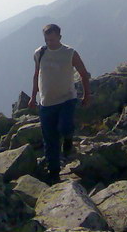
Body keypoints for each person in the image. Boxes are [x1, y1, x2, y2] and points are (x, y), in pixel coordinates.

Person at [28, 24, 91, 183]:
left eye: (52, 39)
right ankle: (54, 173)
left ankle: (68, 140)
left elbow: (83, 74)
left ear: (60, 37)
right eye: (47, 39)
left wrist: (86, 95)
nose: (50, 42)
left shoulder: (70, 53)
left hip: (67, 99)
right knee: (49, 139)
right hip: (46, 103)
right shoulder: (39, 53)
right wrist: (33, 96)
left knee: (64, 127)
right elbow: (36, 75)